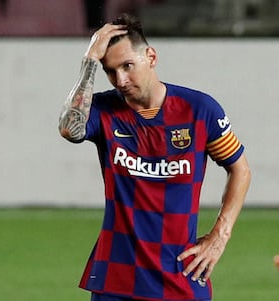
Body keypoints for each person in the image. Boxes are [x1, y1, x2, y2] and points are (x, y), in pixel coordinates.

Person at [58, 14, 251, 301]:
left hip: (181, 274)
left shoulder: (199, 110)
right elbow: (69, 129)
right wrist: (88, 61)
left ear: (151, 56)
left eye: (127, 66)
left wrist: (220, 234)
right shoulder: (103, 110)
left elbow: (240, 170)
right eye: (110, 70)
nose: (120, 79)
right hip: (117, 279)